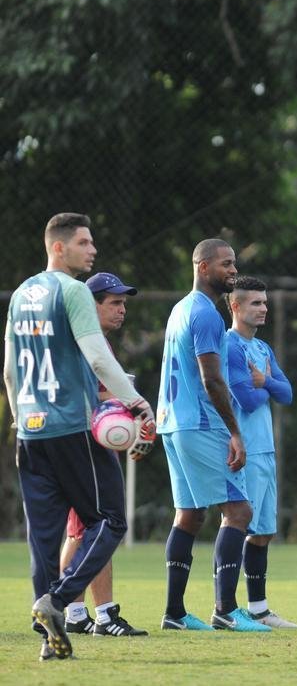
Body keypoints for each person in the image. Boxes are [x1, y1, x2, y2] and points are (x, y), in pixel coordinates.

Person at [5, 213, 155, 661]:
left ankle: (50, 639)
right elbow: (97, 358)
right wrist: (137, 402)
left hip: (29, 431)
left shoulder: (19, 295)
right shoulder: (70, 291)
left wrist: (19, 416)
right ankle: (58, 599)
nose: (92, 250)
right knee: (110, 518)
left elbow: (11, 369)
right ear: (58, 247)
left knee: (44, 536)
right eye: (84, 242)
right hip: (71, 426)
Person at [157, 239, 269, 632]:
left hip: (171, 421)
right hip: (199, 423)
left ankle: (174, 613)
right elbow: (211, 378)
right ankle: (226, 609)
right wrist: (235, 432)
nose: (233, 270)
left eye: (234, 263)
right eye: (226, 264)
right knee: (239, 511)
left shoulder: (180, 309)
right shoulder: (206, 314)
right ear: (203, 267)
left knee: (189, 515)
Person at [59, 272, 148, 637]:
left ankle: (76, 614)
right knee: (98, 531)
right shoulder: (83, 342)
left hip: (90, 447)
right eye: (114, 302)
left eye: (124, 302)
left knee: (82, 532)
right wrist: (124, 401)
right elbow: (77, 397)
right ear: (90, 305)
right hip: (82, 448)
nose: (122, 309)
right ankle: (98, 614)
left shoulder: (99, 344)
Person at [225, 276, 297, 628]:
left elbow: (287, 394)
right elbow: (249, 401)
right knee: (237, 525)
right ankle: (226, 607)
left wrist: (265, 380)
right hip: (244, 450)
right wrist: (267, 385)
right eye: (255, 303)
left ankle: (259, 609)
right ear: (235, 306)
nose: (264, 308)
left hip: (266, 451)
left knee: (264, 531)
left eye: (265, 302)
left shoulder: (264, 349)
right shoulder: (230, 346)